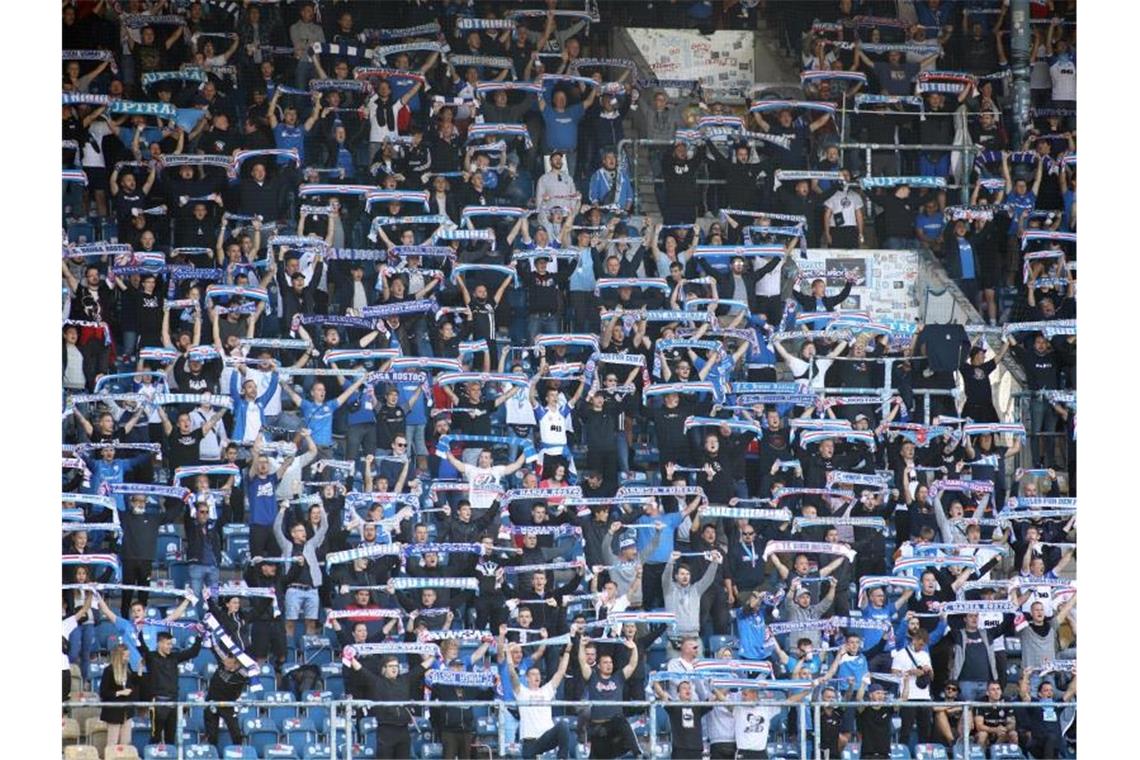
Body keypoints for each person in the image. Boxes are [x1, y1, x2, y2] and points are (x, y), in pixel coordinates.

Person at [509, 635, 576, 759]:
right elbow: (512, 674)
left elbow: (560, 672)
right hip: (530, 742)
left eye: (538, 674)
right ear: (527, 678)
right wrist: (508, 653)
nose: (537, 676)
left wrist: (567, 651)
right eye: (533, 674)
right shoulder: (522, 692)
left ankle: (562, 758)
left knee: (563, 726)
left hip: (546, 737)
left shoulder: (547, 690)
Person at [577, 634, 643, 759]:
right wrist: (581, 646)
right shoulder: (592, 677)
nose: (609, 665)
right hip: (598, 728)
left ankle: (637, 753)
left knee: (621, 720)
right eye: (605, 662)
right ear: (599, 665)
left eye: (611, 662)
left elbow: (632, 665)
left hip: (614, 728)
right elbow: (582, 662)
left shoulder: (618, 677)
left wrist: (634, 649)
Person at [138, 630, 203, 744]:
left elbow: (193, 652)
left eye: (171, 644)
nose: (170, 646)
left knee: (170, 738)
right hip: (158, 703)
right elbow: (141, 646)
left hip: (173, 702)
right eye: (168, 644)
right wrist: (138, 631)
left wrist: (199, 636)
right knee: (155, 737)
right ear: (159, 643)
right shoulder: (151, 657)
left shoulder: (174, 657)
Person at [98, 638, 141, 748]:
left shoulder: (128, 669)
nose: (127, 658)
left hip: (127, 712)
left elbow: (133, 684)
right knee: (112, 743)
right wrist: (120, 692)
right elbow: (103, 692)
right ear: (119, 656)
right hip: (114, 712)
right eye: (125, 656)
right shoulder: (109, 671)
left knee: (126, 743)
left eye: (128, 656)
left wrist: (139, 671)